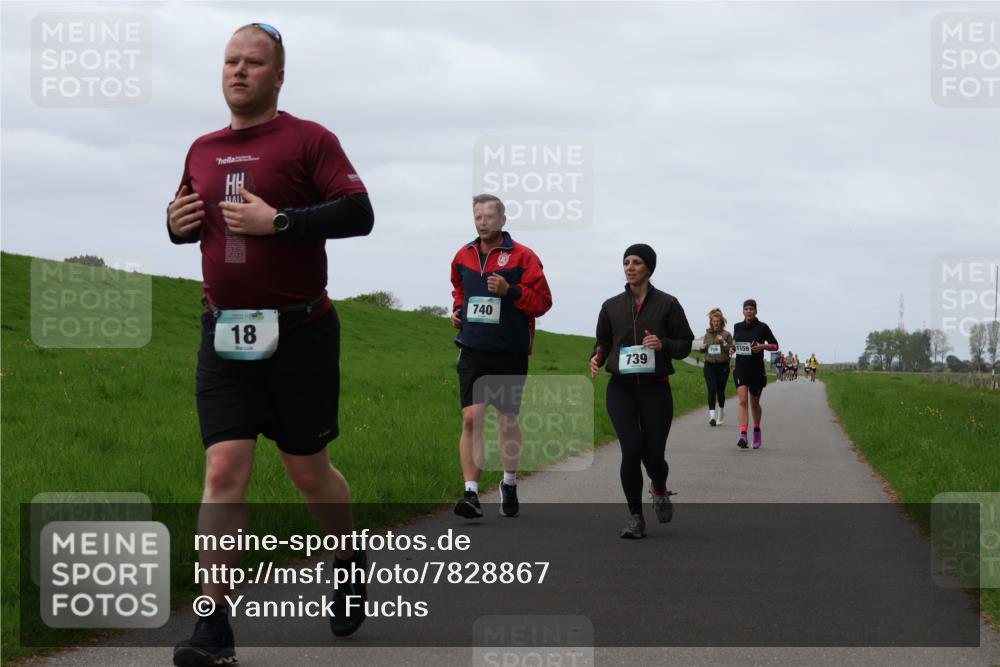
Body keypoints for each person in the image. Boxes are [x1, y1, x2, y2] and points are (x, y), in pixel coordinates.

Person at [167, 23, 374, 666]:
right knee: (223, 470)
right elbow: (190, 220)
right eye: (230, 60)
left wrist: (279, 221)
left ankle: (347, 558)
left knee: (307, 471)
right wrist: (174, 225)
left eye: (253, 63)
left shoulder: (310, 139)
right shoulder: (202, 148)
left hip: (301, 333)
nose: (238, 71)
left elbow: (359, 212)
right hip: (223, 332)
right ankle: (213, 629)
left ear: (278, 75)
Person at [450, 194, 552, 519]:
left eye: (489, 217)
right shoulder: (463, 255)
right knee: (471, 418)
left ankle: (509, 482)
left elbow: (543, 301)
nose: (483, 223)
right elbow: (460, 289)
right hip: (473, 350)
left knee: (506, 421)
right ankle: (471, 494)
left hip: (509, 353)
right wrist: (458, 310)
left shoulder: (523, 256)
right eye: (478, 217)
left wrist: (512, 291)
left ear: (503, 220)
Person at [590, 244, 694, 538]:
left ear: (648, 268)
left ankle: (659, 488)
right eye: (626, 262)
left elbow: (685, 343)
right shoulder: (611, 306)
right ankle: (635, 516)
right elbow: (603, 341)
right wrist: (596, 356)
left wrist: (663, 344)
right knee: (631, 449)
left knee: (654, 456)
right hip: (621, 389)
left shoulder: (668, 303)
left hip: (655, 389)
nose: (630, 267)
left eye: (636, 262)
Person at [730, 300, 779, 449]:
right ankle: (743, 435)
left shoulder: (762, 327)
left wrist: (763, 346)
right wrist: (732, 349)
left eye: (751, 309)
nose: (749, 311)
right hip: (741, 368)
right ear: (743, 311)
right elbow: (735, 344)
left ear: (756, 311)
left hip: (756, 369)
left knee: (754, 404)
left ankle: (756, 430)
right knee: (742, 401)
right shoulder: (737, 326)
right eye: (746, 309)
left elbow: (775, 345)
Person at [698, 308, 734, 426]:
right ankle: (712, 417)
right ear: (711, 322)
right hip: (709, 365)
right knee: (711, 389)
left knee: (720, 391)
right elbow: (703, 350)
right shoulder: (707, 335)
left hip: (722, 366)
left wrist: (723, 341)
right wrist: (702, 348)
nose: (716, 323)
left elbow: (731, 350)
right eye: (714, 321)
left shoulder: (727, 334)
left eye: (718, 321)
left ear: (721, 322)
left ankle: (721, 412)